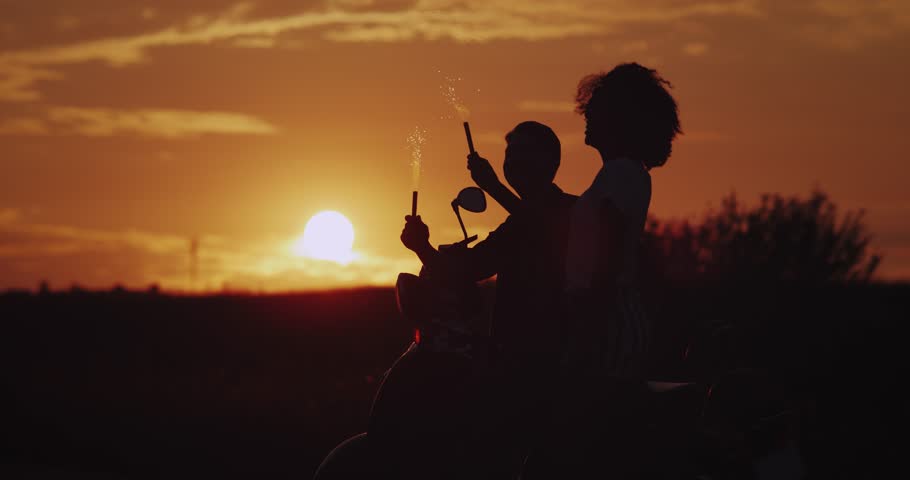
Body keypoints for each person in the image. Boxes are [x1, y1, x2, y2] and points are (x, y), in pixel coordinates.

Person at [400, 120, 577, 475]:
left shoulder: (570, 211)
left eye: (525, 152)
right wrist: (423, 249)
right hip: (516, 361)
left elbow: (542, 228)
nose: (513, 162)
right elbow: (473, 266)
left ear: (552, 162)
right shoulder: (517, 225)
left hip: (550, 366)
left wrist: (492, 185)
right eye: (510, 154)